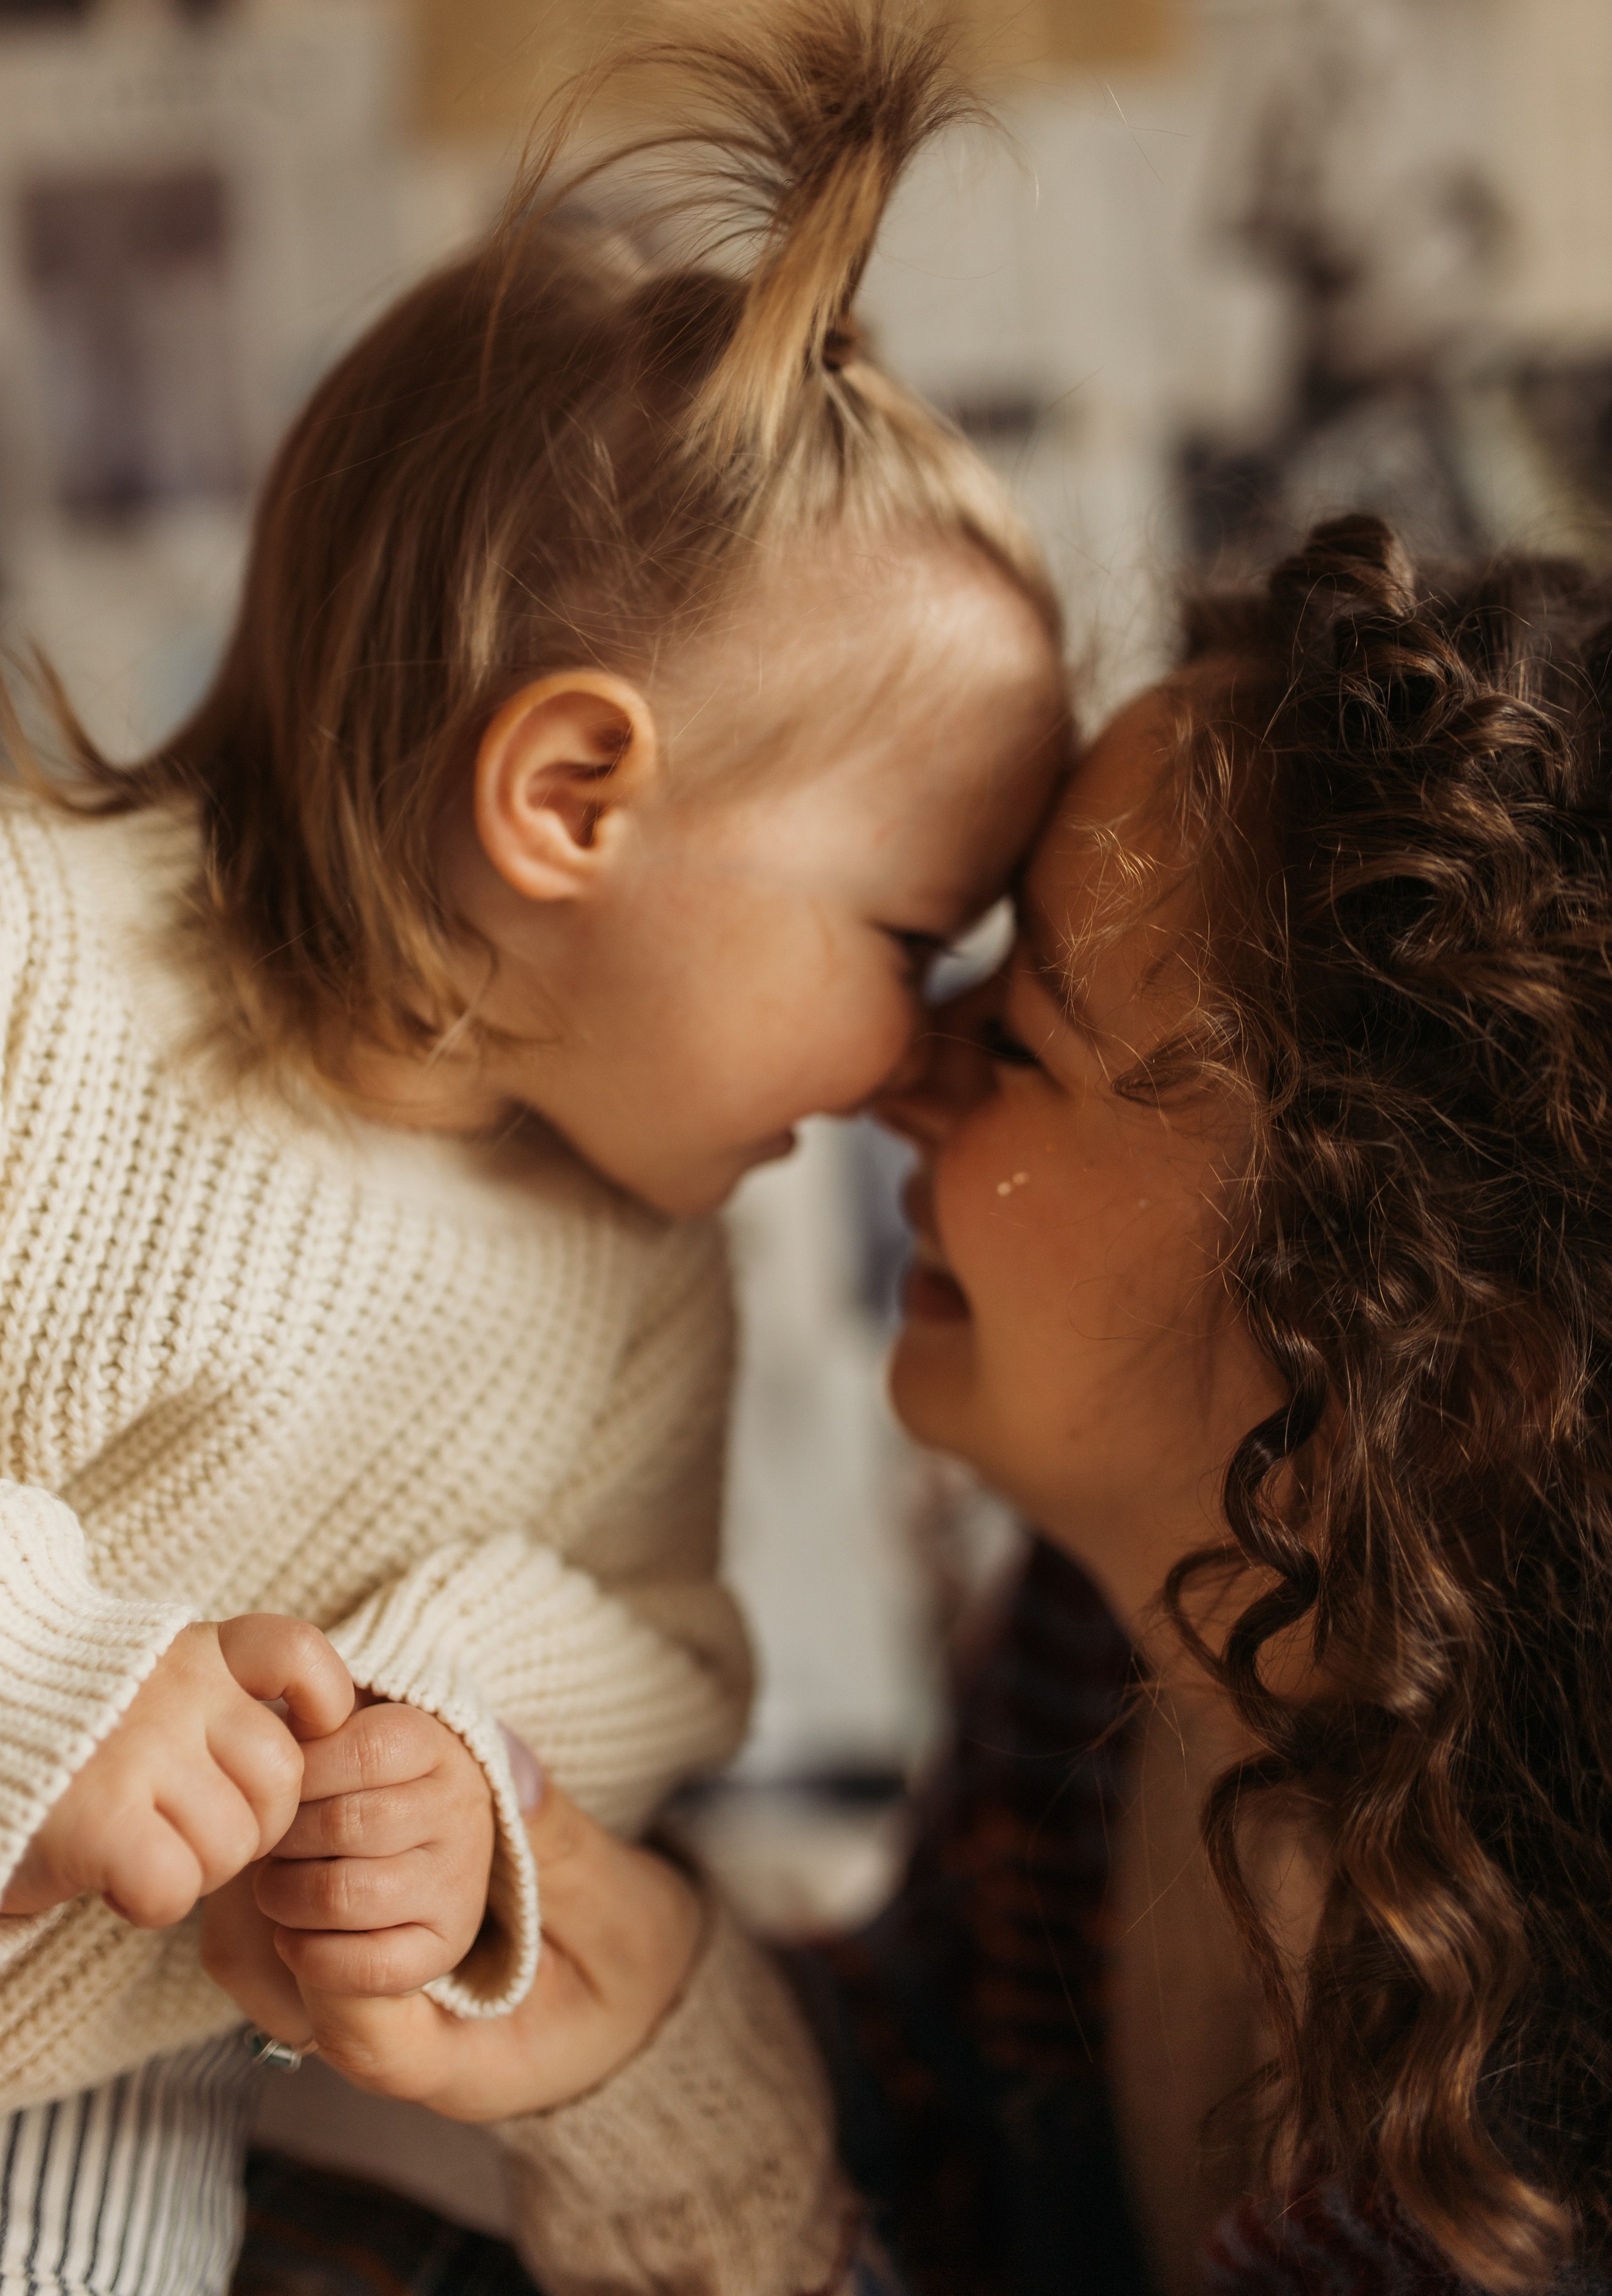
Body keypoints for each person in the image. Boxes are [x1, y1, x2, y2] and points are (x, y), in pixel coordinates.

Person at [0, 0, 1066, 2295]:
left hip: (80, 2130)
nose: (921, 1051)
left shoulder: (643, 1276)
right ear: (571, 797)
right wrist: (24, 1686)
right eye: (905, 932)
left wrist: (441, 1784)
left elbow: (645, 1651)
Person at [247, 516, 1612, 2295]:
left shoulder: (1514, 2146)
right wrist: (589, 1944)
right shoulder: (1127, 1627)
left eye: (1030, 1034)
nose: (907, 1071)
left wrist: (674, 2096)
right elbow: (934, 2124)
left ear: (1402, 1380)